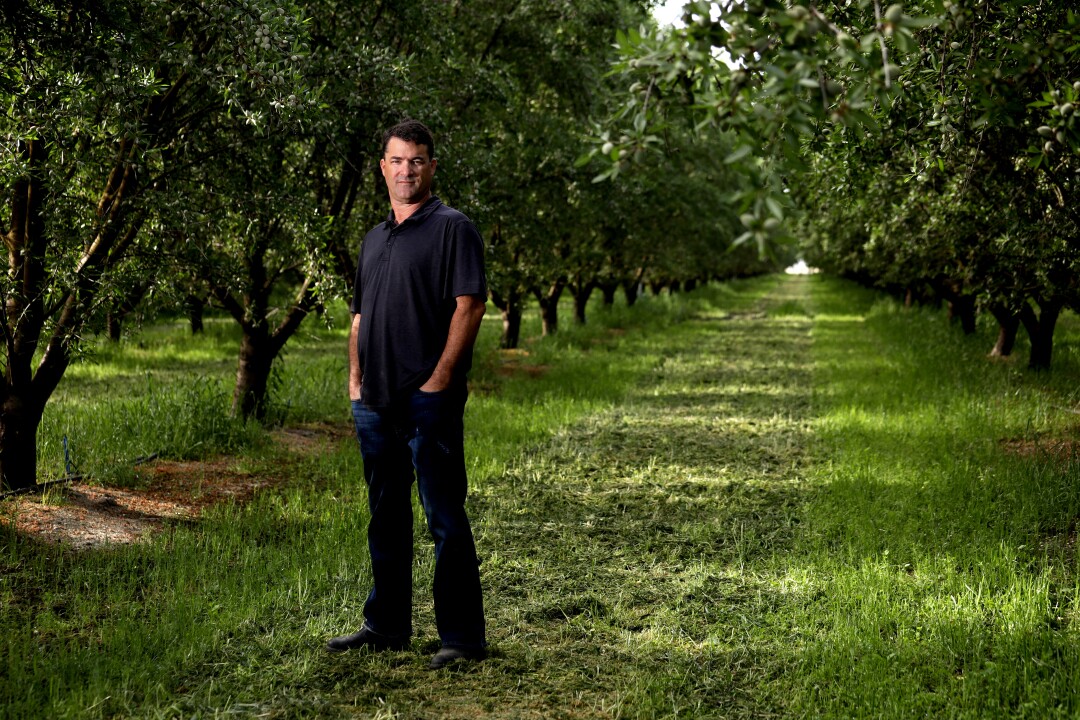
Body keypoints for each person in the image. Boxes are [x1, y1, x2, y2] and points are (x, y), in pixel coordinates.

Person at [327, 120, 488, 670]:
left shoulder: (453, 228)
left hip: (427, 401)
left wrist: (440, 378)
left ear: (431, 167)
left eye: (417, 160)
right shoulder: (375, 238)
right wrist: (355, 380)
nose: (406, 170)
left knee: (444, 517)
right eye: (397, 161)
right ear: (383, 168)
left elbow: (470, 306)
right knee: (385, 515)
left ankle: (462, 638)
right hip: (375, 401)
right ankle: (387, 625)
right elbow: (359, 316)